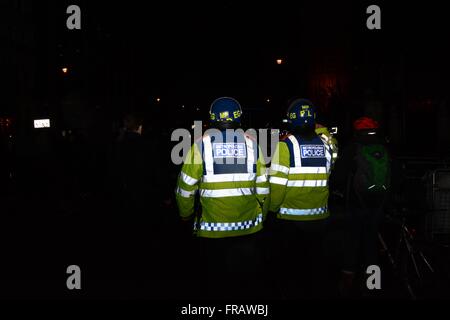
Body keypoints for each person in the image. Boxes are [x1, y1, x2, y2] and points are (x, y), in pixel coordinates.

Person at [175, 97, 270, 299]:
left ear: (212, 120)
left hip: (212, 232)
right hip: (248, 228)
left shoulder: (199, 146)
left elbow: (185, 189)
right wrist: (262, 216)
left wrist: (186, 215)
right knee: (244, 285)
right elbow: (263, 188)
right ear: (239, 118)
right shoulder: (254, 146)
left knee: (215, 285)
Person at [268, 98, 336, 298]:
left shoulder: (285, 146)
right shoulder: (327, 146)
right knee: (314, 269)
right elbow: (330, 169)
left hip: (291, 221)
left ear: (290, 120)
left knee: (291, 272)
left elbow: (277, 188)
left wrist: (271, 211)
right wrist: (323, 131)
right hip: (320, 218)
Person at [330, 116, 391, 297]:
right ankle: (374, 284)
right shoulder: (385, 148)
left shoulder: (353, 149)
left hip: (356, 204)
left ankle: (347, 284)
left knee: (352, 242)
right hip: (378, 206)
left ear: (357, 131)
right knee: (371, 243)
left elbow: (338, 177)